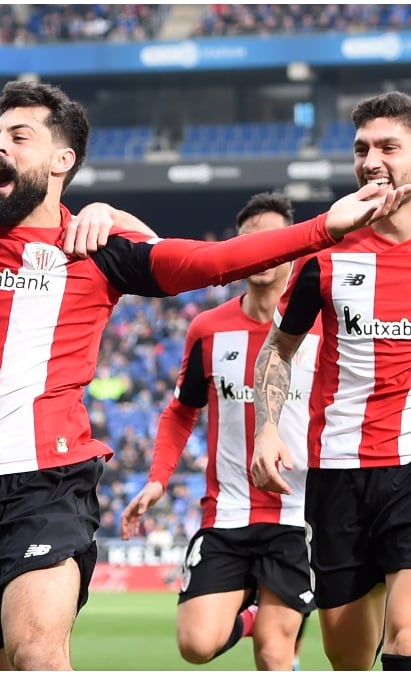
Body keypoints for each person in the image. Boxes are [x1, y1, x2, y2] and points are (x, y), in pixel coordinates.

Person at [0, 79, 411, 670]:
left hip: (44, 486)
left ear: (62, 160)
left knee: (38, 655)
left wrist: (323, 229)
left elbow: (212, 260)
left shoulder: (97, 249)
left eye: (18, 136)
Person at [251, 91, 411, 671]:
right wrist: (266, 428)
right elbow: (278, 350)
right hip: (338, 468)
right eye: (362, 148)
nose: (372, 159)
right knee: (347, 651)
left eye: (389, 146)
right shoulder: (325, 255)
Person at [121, 192, 316, 670]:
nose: (262, 250)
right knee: (196, 645)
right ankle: (252, 611)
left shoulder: (321, 326)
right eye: (249, 241)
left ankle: (274, 619)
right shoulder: (208, 328)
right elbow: (181, 411)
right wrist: (158, 479)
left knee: (274, 654)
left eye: (273, 239)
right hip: (227, 514)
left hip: (299, 517)